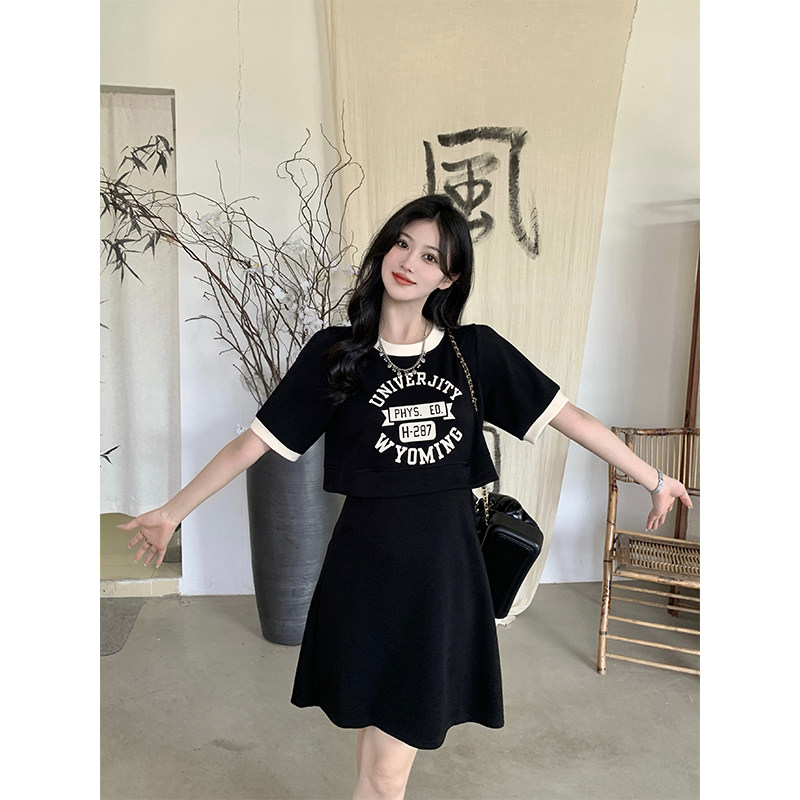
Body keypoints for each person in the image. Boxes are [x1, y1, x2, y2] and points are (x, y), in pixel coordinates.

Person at [120, 194, 692, 800]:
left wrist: (653, 478)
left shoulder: (474, 352)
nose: (409, 263)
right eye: (402, 244)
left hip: (440, 578)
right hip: (362, 572)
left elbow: (567, 417)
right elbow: (252, 444)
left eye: (430, 257)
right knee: (374, 760)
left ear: (448, 278)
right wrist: (171, 513)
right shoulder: (337, 356)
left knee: (386, 772)